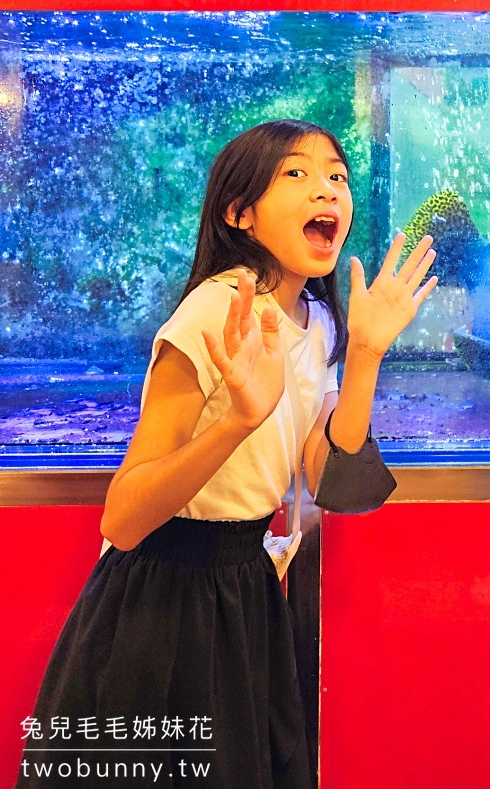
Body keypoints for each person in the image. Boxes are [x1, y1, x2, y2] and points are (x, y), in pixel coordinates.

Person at [18, 119, 436, 788]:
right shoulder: (215, 311)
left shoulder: (317, 319)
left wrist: (364, 355)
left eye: (336, 176)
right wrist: (238, 420)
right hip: (157, 596)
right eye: (296, 174)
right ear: (239, 213)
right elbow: (123, 519)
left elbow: (327, 476)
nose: (326, 189)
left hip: (242, 587)